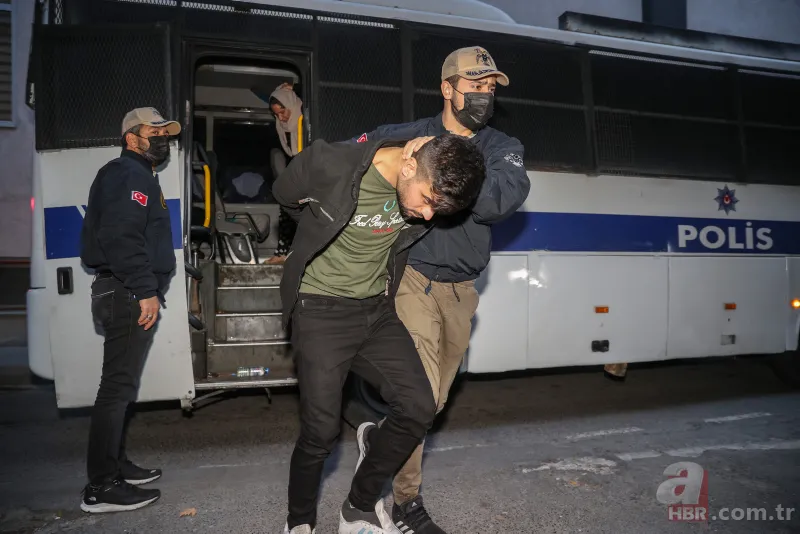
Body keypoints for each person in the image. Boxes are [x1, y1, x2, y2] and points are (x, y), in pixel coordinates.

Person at [350, 46, 531, 533]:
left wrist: (437, 165)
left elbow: (498, 199)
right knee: (421, 399)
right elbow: (349, 156)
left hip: (461, 292)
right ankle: (405, 502)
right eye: (475, 86)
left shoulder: (501, 146)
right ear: (448, 88)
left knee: (434, 403)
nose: (484, 96)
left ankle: (380, 439)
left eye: (490, 88)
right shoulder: (408, 135)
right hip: (412, 279)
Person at [273, 133, 486, 534]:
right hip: (320, 308)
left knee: (420, 406)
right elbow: (284, 193)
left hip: (375, 309)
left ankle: (358, 507)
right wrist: (320, 222)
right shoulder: (330, 163)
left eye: (436, 209)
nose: (426, 216)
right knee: (320, 431)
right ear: (408, 167)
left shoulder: (422, 180)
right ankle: (299, 522)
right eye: (426, 200)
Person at [78, 107, 181, 513]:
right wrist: (144, 289)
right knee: (116, 389)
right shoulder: (127, 174)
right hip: (125, 292)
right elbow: (121, 237)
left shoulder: (139, 175)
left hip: (126, 291)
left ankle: (115, 466)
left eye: (165, 133)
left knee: (121, 387)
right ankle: (101, 487)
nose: (161, 138)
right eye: (152, 131)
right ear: (130, 137)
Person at [266, 82, 304, 264]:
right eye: (276, 114)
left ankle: (287, 253)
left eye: (283, 112)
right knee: (286, 206)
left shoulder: (304, 119)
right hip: (297, 170)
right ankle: (283, 253)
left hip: (307, 172)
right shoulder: (285, 130)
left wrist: (295, 86)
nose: (281, 118)